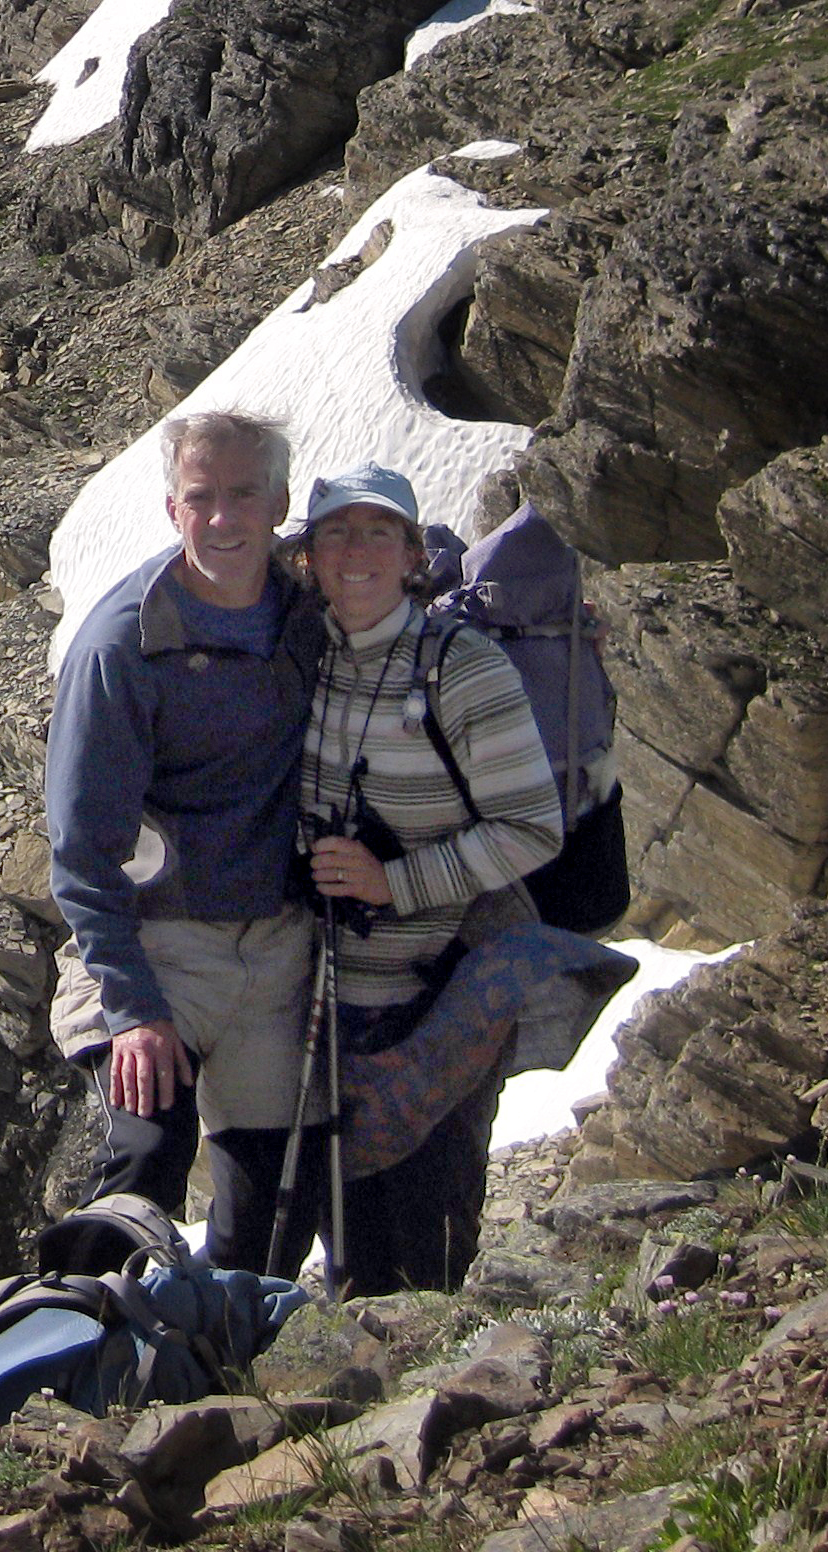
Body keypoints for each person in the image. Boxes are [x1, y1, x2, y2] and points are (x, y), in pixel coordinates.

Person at [44, 408, 331, 1278]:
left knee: (273, 1207)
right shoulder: (123, 645)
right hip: (157, 943)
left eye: (243, 494)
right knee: (144, 1162)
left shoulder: (308, 613)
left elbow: (407, 581)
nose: (221, 517)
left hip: (276, 945)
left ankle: (233, 1353)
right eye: (200, 497)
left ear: (279, 504)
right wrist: (133, 1008)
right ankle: (81, 1340)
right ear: (173, 509)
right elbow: (83, 847)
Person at [295, 462, 564, 1293]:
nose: (357, 552)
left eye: (379, 533)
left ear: (413, 554)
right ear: (308, 557)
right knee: (350, 1255)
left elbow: (532, 827)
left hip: (440, 1006)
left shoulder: (464, 668)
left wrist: (395, 883)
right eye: (337, 533)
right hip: (323, 1014)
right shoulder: (302, 659)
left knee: (427, 1248)